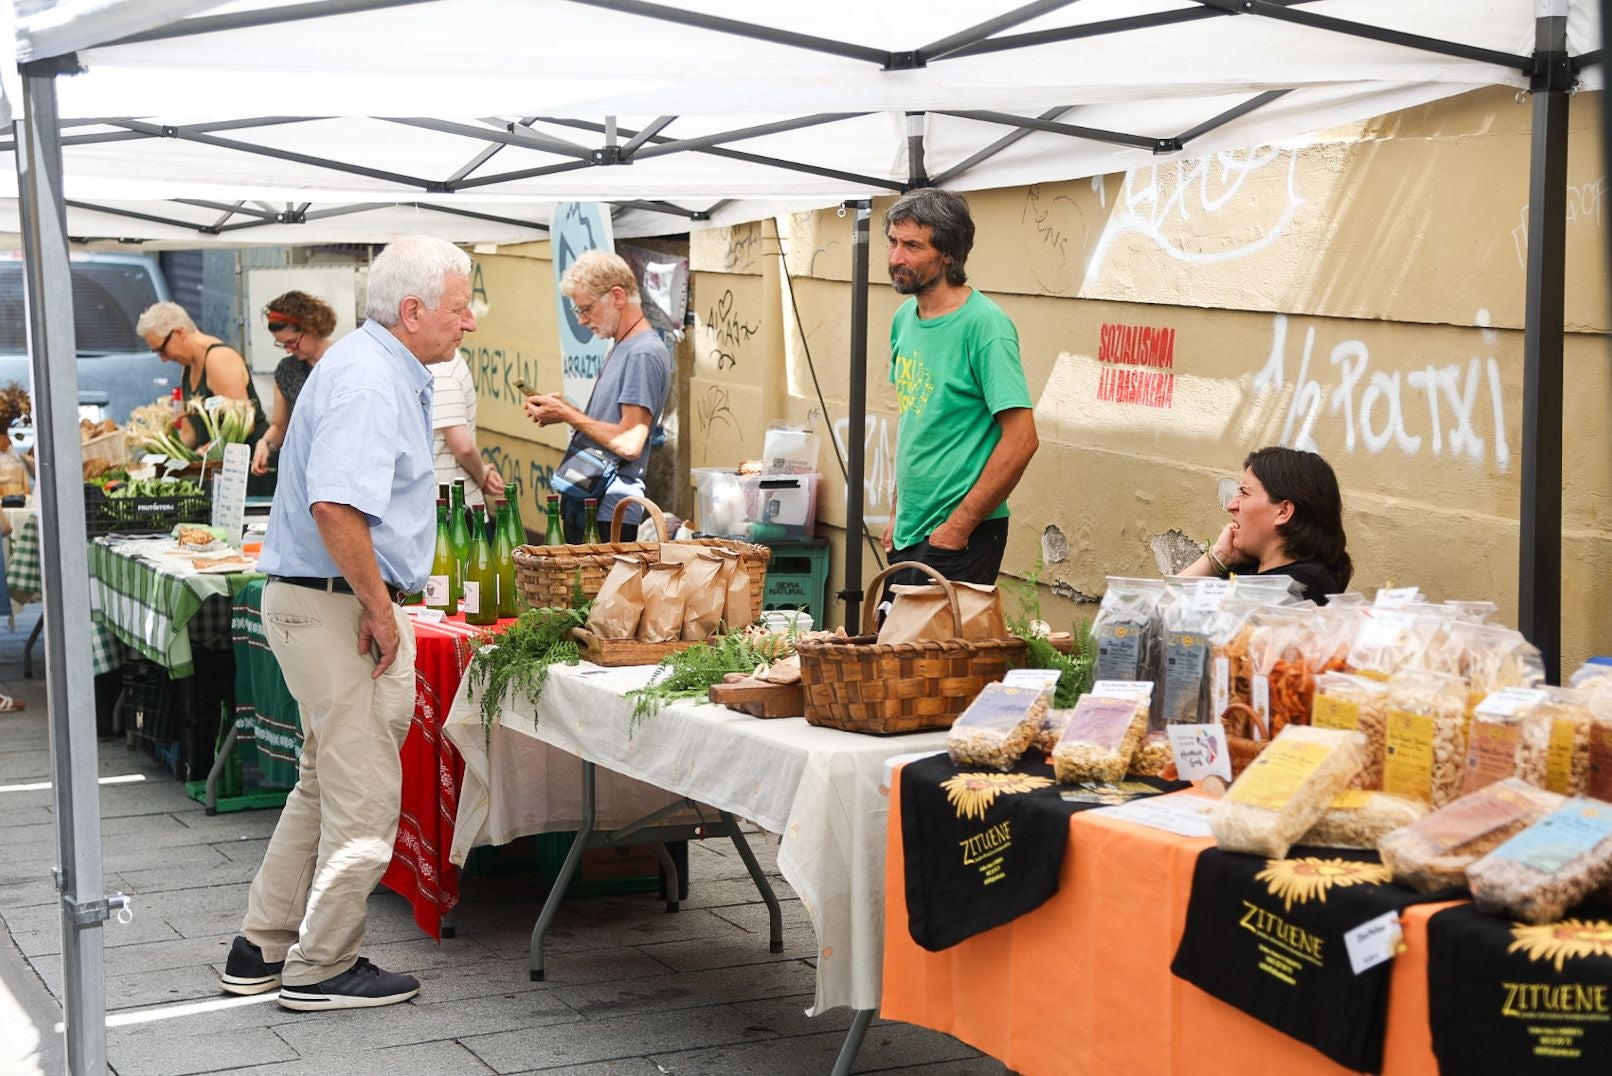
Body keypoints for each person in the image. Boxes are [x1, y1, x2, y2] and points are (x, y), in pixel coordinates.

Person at [219, 236, 476, 1011]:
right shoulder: (371, 378)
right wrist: (377, 606)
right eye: (460, 308)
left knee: (324, 784)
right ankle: (322, 966)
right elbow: (335, 504)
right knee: (363, 797)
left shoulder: (373, 365)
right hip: (336, 603)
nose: (469, 324)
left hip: (323, 598)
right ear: (413, 310)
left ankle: (260, 947)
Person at [880, 188, 1038, 586]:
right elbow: (918, 421)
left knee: (935, 650)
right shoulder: (904, 319)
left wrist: (959, 526)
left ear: (948, 253)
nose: (897, 257)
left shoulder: (985, 326)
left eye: (913, 246)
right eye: (893, 242)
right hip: (911, 529)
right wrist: (898, 512)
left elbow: (1022, 439)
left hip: (959, 536)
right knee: (894, 647)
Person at [522, 250, 670, 542]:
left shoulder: (642, 352)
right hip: (594, 503)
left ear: (617, 296)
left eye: (585, 309)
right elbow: (613, 425)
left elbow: (629, 442)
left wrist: (568, 415)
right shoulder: (625, 344)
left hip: (608, 510)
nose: (581, 320)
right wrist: (566, 409)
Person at [1180, 445, 1354, 604]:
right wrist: (1218, 556)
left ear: (1284, 511)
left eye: (1244, 493)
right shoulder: (1247, 566)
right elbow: (1163, 611)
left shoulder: (1303, 583)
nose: (1231, 505)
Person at [136, 302, 271, 478]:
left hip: (250, 470)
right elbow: (189, 434)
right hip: (216, 471)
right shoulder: (188, 367)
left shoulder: (219, 359)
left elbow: (244, 424)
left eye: (162, 350)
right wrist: (163, 455)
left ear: (179, 332)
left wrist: (205, 451)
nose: (163, 359)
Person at [251, 291, 337, 476]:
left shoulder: (345, 361)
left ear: (312, 327)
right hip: (304, 469)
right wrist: (265, 443)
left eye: (292, 342)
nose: (289, 350)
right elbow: (280, 426)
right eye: (283, 344)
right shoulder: (287, 371)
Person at [431, 349, 505, 506]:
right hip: (454, 501)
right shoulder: (444, 365)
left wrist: (481, 474)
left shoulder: (440, 366)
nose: (470, 325)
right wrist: (482, 473)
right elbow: (463, 447)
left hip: (446, 501)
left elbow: (463, 446)